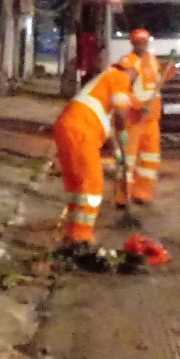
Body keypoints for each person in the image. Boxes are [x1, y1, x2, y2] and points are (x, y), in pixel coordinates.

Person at [53, 60, 136, 247]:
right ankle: (82, 237)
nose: (133, 83)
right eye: (135, 77)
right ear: (130, 71)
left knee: (78, 186)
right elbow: (121, 115)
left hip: (68, 127)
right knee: (92, 183)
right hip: (81, 130)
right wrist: (123, 133)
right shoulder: (120, 77)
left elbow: (110, 120)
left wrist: (118, 152)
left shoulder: (105, 80)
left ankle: (72, 234)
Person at [116, 29, 168, 206]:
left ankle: (143, 194)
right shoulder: (127, 63)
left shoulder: (153, 60)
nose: (142, 45)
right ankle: (123, 198)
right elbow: (121, 91)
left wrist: (170, 72)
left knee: (149, 159)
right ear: (132, 43)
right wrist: (138, 107)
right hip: (134, 119)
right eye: (138, 42)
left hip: (151, 120)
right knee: (128, 160)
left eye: (144, 42)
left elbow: (156, 84)